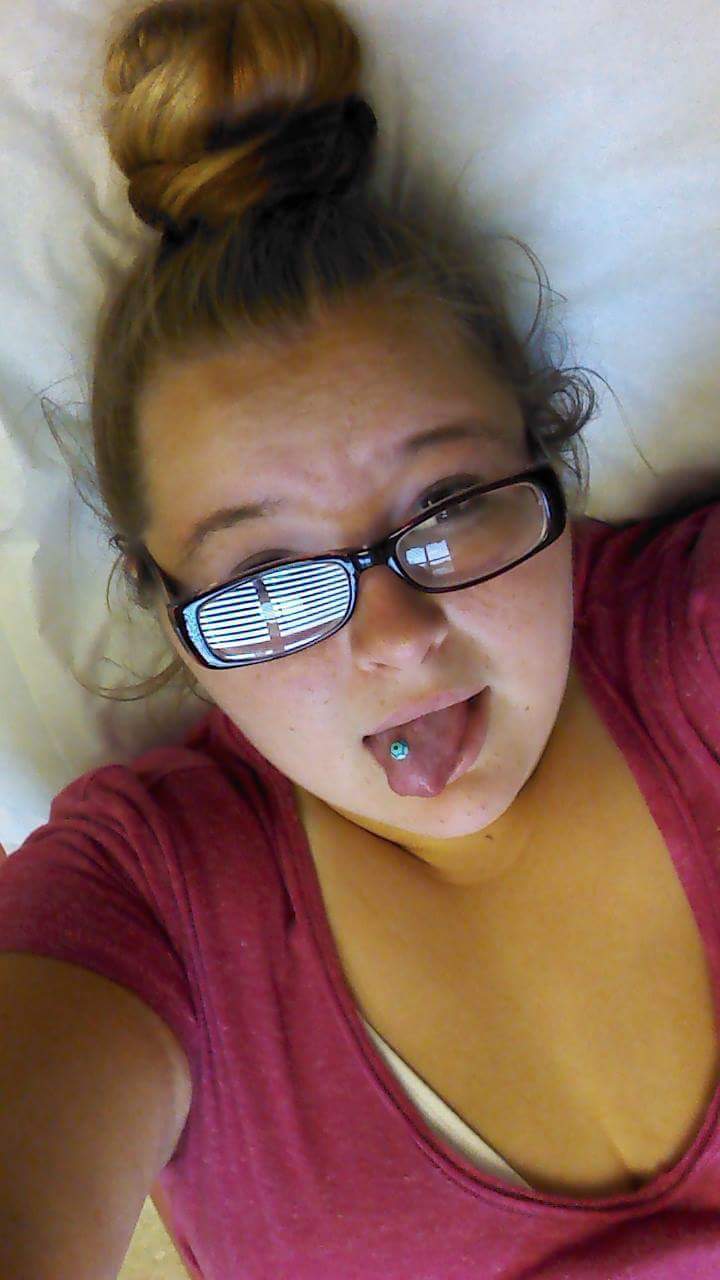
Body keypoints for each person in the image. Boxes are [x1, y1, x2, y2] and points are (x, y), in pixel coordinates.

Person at [1, 0, 719, 1276]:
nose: (394, 635)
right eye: (267, 578)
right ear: (172, 616)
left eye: (447, 507)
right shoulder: (143, 896)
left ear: (546, 460)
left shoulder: (697, 644)